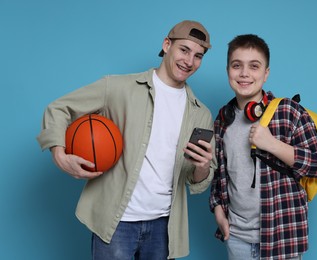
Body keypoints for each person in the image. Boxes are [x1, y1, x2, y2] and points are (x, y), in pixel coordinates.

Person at [37, 20, 217, 260]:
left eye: (198, 56)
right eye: (184, 50)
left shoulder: (200, 113)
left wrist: (203, 167)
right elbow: (58, 109)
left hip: (164, 227)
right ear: (166, 45)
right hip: (117, 222)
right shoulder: (118, 88)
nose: (189, 61)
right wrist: (59, 154)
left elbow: (195, 181)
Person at [209, 34, 317, 260]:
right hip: (236, 237)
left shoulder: (289, 112)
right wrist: (218, 212)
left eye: (254, 67)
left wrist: (273, 145)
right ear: (228, 71)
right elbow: (219, 174)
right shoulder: (223, 120)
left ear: (266, 74)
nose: (244, 73)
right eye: (237, 66)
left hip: (281, 235)